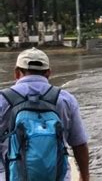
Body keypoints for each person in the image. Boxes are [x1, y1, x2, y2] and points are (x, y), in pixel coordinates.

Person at [0, 48, 89, 181]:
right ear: (48, 73)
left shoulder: (2, 99)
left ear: (17, 72)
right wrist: (85, 177)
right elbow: (79, 144)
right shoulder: (65, 99)